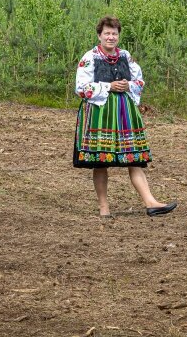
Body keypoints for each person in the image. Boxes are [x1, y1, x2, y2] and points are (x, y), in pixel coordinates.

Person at [73, 15, 177, 218]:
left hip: (124, 112)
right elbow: (81, 88)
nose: (111, 37)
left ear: (118, 36)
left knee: (134, 159)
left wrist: (128, 85)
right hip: (100, 113)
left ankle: (150, 202)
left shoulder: (126, 57)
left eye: (114, 33)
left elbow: (139, 81)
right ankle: (104, 208)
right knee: (100, 161)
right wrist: (108, 86)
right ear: (99, 35)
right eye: (107, 33)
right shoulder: (89, 57)